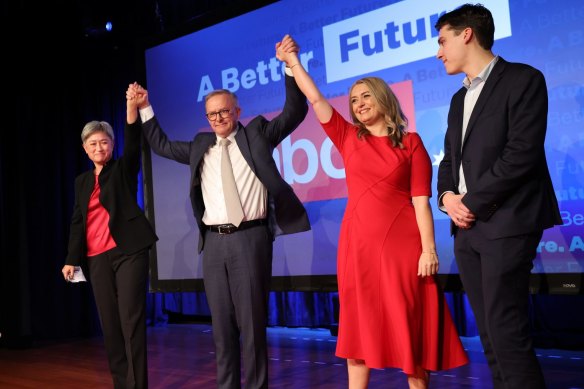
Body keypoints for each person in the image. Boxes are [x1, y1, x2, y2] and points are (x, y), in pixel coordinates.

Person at [275, 34, 468, 389]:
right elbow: (315, 97)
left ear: (383, 99)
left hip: (403, 248)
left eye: (366, 96)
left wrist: (429, 250)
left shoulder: (411, 143)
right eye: (353, 100)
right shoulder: (348, 137)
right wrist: (294, 63)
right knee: (358, 331)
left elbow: (421, 202)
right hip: (358, 246)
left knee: (410, 327)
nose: (359, 104)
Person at [125, 40, 310, 389]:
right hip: (213, 244)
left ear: (237, 112)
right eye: (212, 114)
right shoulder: (200, 145)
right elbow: (161, 144)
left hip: (251, 237)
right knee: (222, 326)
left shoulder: (256, 134)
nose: (219, 119)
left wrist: (289, 66)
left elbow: (294, 112)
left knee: (251, 324)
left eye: (224, 112)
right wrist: (146, 107)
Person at [434, 4, 562, 388]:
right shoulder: (459, 99)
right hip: (467, 229)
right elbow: (449, 162)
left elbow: (521, 155)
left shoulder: (523, 79)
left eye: (443, 40)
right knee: (489, 334)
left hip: (507, 221)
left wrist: (469, 203)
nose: (438, 52)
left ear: (466, 34)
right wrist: (446, 198)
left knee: (507, 330)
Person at [62, 100, 159, 388]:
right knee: (110, 326)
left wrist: (132, 111)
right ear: (85, 148)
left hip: (128, 251)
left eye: (104, 142)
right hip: (96, 258)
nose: (98, 148)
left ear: (111, 145)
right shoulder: (81, 181)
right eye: (92, 144)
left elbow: (132, 143)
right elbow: (78, 222)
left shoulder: (122, 169)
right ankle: (121, 383)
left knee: (131, 321)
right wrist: (71, 259)